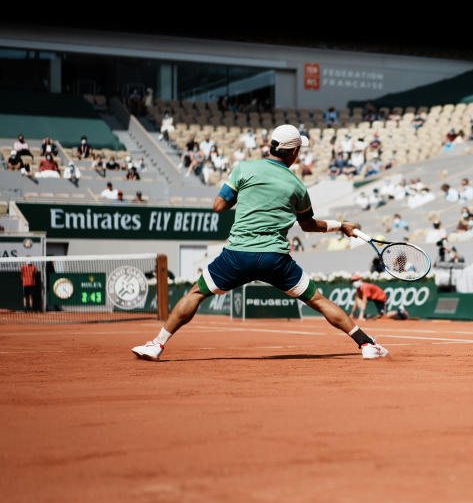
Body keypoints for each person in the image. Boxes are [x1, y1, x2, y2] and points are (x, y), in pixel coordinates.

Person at [131, 124, 389, 362]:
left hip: (237, 255)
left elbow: (219, 206)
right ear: (294, 152)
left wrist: (246, 196)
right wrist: (341, 226)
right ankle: (366, 344)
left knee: (196, 293)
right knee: (318, 300)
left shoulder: (244, 169)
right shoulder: (297, 186)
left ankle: (157, 345)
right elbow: (308, 225)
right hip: (274, 259)